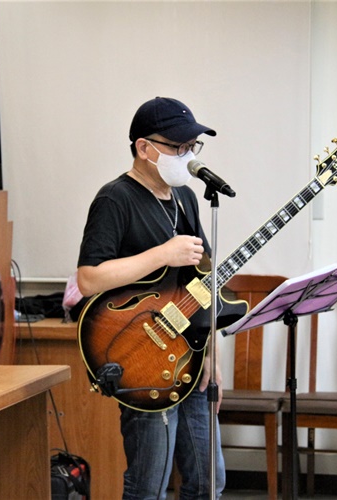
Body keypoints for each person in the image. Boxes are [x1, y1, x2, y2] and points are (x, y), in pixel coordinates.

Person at [76, 97, 226, 499]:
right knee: (149, 487)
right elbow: (89, 278)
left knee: (209, 482)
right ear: (144, 148)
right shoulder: (115, 198)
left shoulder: (186, 198)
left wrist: (213, 354)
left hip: (191, 355)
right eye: (177, 147)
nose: (187, 155)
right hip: (142, 358)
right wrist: (162, 254)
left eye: (192, 146)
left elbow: (203, 281)